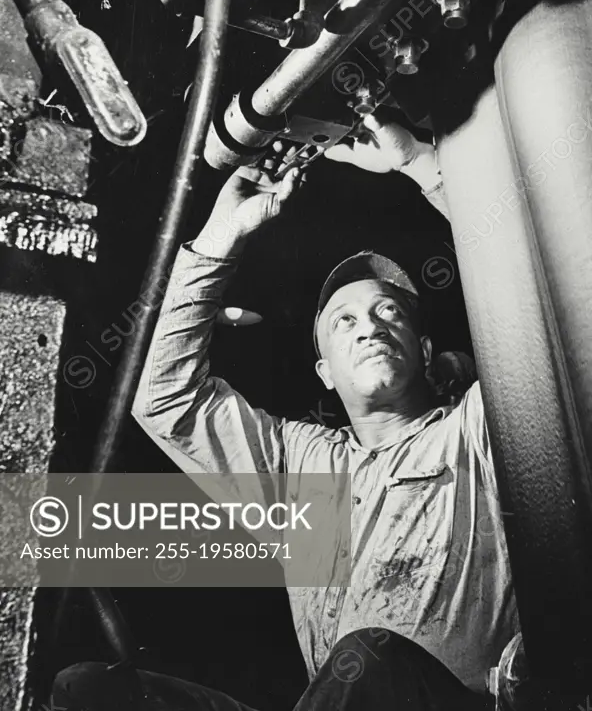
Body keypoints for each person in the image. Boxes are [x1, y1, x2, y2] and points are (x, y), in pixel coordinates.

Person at [52, 115, 519, 711]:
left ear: (425, 351)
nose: (369, 326)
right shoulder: (304, 470)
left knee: (369, 659)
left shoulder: (479, 430)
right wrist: (224, 236)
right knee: (90, 688)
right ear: (325, 370)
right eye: (343, 322)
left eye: (389, 312)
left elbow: (524, 271)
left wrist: (420, 164)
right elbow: (168, 401)